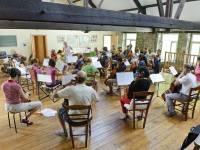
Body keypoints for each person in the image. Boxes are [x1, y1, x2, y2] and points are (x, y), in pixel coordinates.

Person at [51, 71, 98, 137]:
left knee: (59, 110)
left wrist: (65, 85)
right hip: (87, 118)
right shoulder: (91, 89)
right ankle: (88, 129)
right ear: (86, 79)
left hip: (72, 119)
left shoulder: (70, 89)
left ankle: (65, 132)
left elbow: (54, 96)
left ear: (75, 78)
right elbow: (97, 99)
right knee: (88, 107)